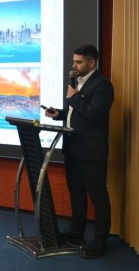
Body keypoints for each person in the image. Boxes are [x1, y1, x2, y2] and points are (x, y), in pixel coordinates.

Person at [45, 45, 114, 258]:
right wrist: (59, 114)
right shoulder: (79, 83)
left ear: (92, 63)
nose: (74, 65)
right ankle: (77, 231)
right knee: (76, 192)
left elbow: (95, 114)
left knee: (97, 195)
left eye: (79, 62)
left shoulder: (102, 85)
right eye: (74, 61)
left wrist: (74, 98)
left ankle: (100, 241)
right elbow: (77, 113)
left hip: (91, 151)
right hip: (73, 147)